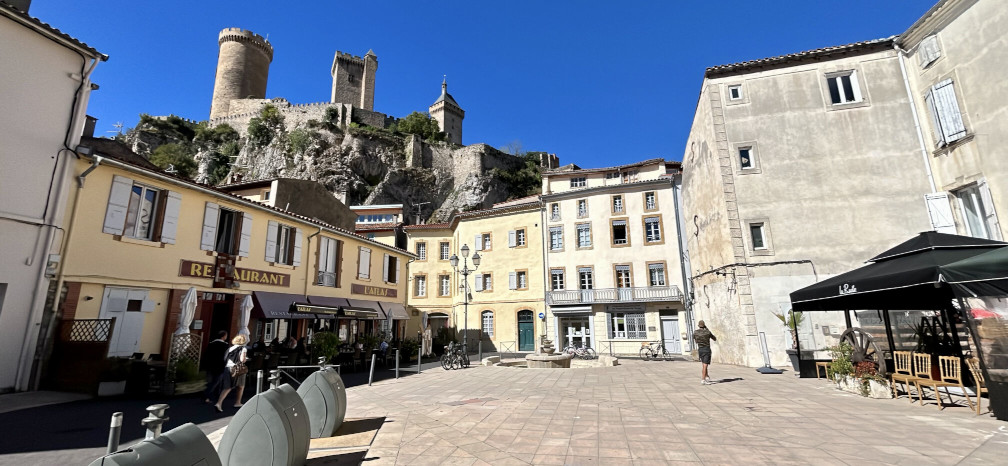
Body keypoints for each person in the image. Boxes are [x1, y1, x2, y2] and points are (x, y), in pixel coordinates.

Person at [215, 334, 248, 412]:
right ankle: (238, 402)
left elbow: (225, 358)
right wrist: (245, 359)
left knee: (227, 387)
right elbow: (242, 360)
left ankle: (219, 403)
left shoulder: (230, 348)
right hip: (237, 369)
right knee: (241, 385)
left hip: (227, 368)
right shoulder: (243, 348)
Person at [203, 330, 229, 404]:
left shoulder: (211, 344)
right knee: (217, 381)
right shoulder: (225, 345)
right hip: (220, 365)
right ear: (223, 336)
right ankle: (207, 395)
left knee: (211, 380)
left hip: (210, 364)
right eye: (226, 335)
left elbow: (206, 355)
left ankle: (216, 395)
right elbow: (226, 356)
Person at [693, 320, 717, 385]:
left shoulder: (695, 332)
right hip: (706, 349)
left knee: (704, 364)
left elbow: (695, 341)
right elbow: (714, 338)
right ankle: (703, 379)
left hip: (700, 349)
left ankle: (706, 376)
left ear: (699, 326)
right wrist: (706, 329)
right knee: (705, 365)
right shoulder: (707, 332)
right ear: (704, 325)